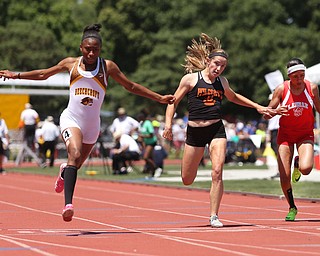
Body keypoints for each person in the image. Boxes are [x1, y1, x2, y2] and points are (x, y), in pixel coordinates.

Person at [0, 23, 175, 222]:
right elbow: (44, 74)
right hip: (71, 119)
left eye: (95, 49)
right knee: (74, 154)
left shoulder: (107, 67)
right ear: (81, 48)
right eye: (88, 49)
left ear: (100, 49)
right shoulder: (70, 64)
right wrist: (16, 75)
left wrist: (159, 98)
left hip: (92, 125)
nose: (91, 53)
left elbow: (131, 86)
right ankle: (68, 205)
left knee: (76, 164)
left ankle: (64, 171)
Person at [162, 33, 275, 228]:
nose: (218, 68)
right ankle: (194, 167)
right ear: (208, 61)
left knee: (217, 171)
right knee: (187, 179)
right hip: (195, 132)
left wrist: (258, 106)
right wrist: (168, 125)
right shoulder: (190, 79)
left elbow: (234, 97)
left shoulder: (222, 82)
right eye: (216, 64)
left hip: (216, 129)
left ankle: (214, 215)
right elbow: (173, 102)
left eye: (223, 66)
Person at [263, 58, 320, 221]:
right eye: (295, 76)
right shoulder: (281, 89)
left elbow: (319, 107)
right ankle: (292, 207)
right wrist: (275, 111)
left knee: (306, 168)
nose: (299, 79)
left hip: (305, 134)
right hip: (286, 136)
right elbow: (266, 113)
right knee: (284, 175)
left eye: (302, 75)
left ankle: (298, 162)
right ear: (289, 76)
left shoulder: (312, 88)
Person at [138, 111, 158, 177]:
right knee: (150, 157)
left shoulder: (148, 123)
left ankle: (155, 167)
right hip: (146, 142)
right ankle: (152, 171)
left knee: (145, 157)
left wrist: (143, 136)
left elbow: (151, 135)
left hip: (151, 142)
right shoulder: (141, 124)